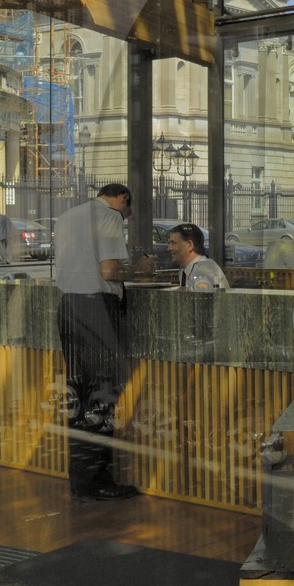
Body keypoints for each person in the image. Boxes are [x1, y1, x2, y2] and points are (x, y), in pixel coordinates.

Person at [53, 183, 150, 501]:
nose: (126, 216)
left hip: (68, 307)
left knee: (78, 394)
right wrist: (140, 269)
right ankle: (98, 480)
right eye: (128, 210)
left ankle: (80, 480)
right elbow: (109, 270)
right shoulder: (109, 216)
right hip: (97, 310)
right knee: (103, 395)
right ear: (123, 199)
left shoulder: (67, 216)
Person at [167, 223, 229, 290]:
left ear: (189, 245)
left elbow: (202, 296)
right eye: (169, 243)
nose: (169, 248)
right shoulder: (184, 271)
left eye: (173, 243)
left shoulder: (204, 270)